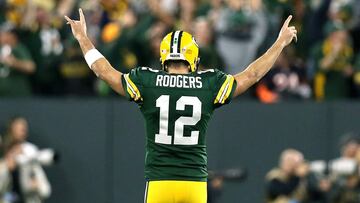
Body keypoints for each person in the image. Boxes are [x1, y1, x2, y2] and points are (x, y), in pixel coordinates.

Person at [65, 8, 297, 203]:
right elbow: (252, 74)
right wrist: (280, 43)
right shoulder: (209, 83)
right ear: (194, 58)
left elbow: (102, 71)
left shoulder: (147, 81)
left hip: (160, 181)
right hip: (194, 183)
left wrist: (82, 37)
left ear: (164, 57)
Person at [1, 116, 51, 203]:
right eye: (19, 128)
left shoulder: (30, 151)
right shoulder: (3, 150)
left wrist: (36, 185)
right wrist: (6, 166)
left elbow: (45, 190)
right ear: (11, 129)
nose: (22, 131)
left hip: (27, 197)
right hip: (8, 196)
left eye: (24, 128)